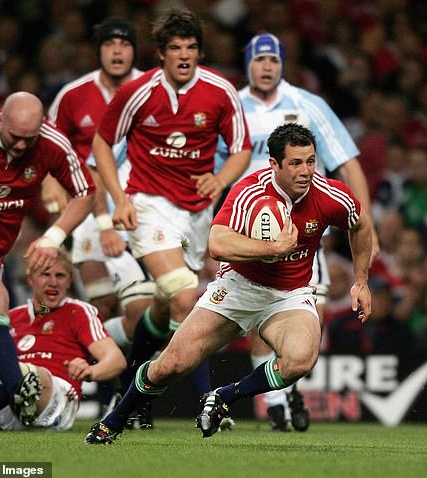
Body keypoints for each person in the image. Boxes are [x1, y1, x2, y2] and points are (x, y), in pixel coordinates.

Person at [84, 123, 373, 444]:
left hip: (290, 295)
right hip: (237, 288)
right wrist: (272, 248)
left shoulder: (329, 194)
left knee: (301, 359)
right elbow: (217, 244)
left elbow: (359, 226)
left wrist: (361, 280)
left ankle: (225, 396)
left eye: (310, 161)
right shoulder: (249, 190)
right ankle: (114, 420)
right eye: (295, 163)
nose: (305, 171)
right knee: (171, 365)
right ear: (274, 164)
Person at [214, 32, 379, 432]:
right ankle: (277, 404)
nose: (266, 66)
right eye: (259, 59)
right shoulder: (232, 106)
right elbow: (216, 172)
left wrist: (366, 220)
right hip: (250, 225)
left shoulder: (309, 105)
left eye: (273, 59)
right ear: (248, 64)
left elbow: (346, 159)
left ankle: (286, 390)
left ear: (282, 64)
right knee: (260, 312)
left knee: (306, 321)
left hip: (305, 230)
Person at [91, 10, 251, 405]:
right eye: (176, 48)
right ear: (161, 53)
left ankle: (127, 385)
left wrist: (220, 178)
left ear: (199, 52)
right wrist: (121, 198)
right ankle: (207, 401)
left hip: (196, 213)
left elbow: (242, 148)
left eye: (191, 48)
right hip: (147, 203)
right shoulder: (137, 92)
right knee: (184, 295)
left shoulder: (220, 90)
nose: (184, 55)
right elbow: (101, 143)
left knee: (164, 308)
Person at [0, 91, 95, 426]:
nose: (21, 146)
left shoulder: (50, 143)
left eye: (29, 139)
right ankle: (20, 390)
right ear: (0, 120)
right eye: (15, 137)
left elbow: (85, 192)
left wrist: (52, 237)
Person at [47, 17, 151, 346]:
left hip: (142, 208)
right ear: (98, 51)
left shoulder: (152, 89)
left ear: (135, 50)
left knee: (144, 309)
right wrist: (49, 181)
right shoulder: (72, 95)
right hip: (90, 211)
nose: (117, 51)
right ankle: (111, 390)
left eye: (125, 44)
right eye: (109, 44)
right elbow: (50, 145)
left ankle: (135, 389)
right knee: (101, 305)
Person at [0, 249, 126, 430]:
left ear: (69, 281)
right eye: (45, 275)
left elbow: (116, 360)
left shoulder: (78, 312)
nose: (53, 282)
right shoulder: (12, 316)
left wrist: (91, 371)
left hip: (54, 400)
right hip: (9, 402)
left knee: (21, 370)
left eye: (60, 276)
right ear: (30, 278)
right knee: (7, 372)